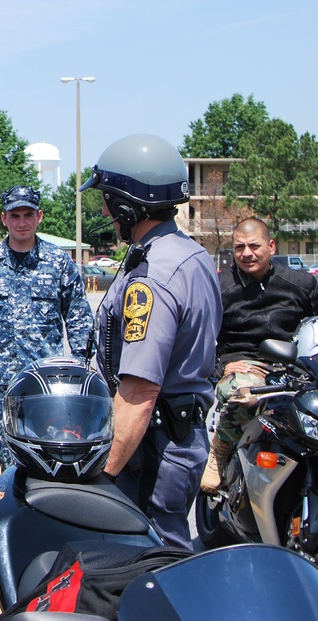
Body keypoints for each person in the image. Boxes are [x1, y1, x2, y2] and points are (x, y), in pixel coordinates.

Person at [82, 134, 222, 549]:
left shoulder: (153, 275)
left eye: (108, 200)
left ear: (128, 205)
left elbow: (141, 389)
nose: (105, 211)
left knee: (148, 562)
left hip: (152, 448)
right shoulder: (188, 254)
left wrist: (103, 476)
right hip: (176, 433)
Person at [0, 185, 92, 470]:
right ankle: (13, 507)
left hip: (49, 381)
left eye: (28, 214)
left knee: (50, 451)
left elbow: (79, 318)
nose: (21, 222)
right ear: (4, 219)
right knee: (7, 454)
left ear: (39, 216)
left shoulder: (58, 263)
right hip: (1, 381)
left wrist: (80, 366)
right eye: (14, 215)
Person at [200, 217, 318, 492]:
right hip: (244, 366)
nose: (247, 253)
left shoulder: (302, 285)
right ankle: (220, 449)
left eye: (254, 246)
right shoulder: (220, 288)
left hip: (294, 367)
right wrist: (219, 367)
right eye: (239, 247)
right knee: (245, 391)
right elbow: (202, 338)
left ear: (271, 246)